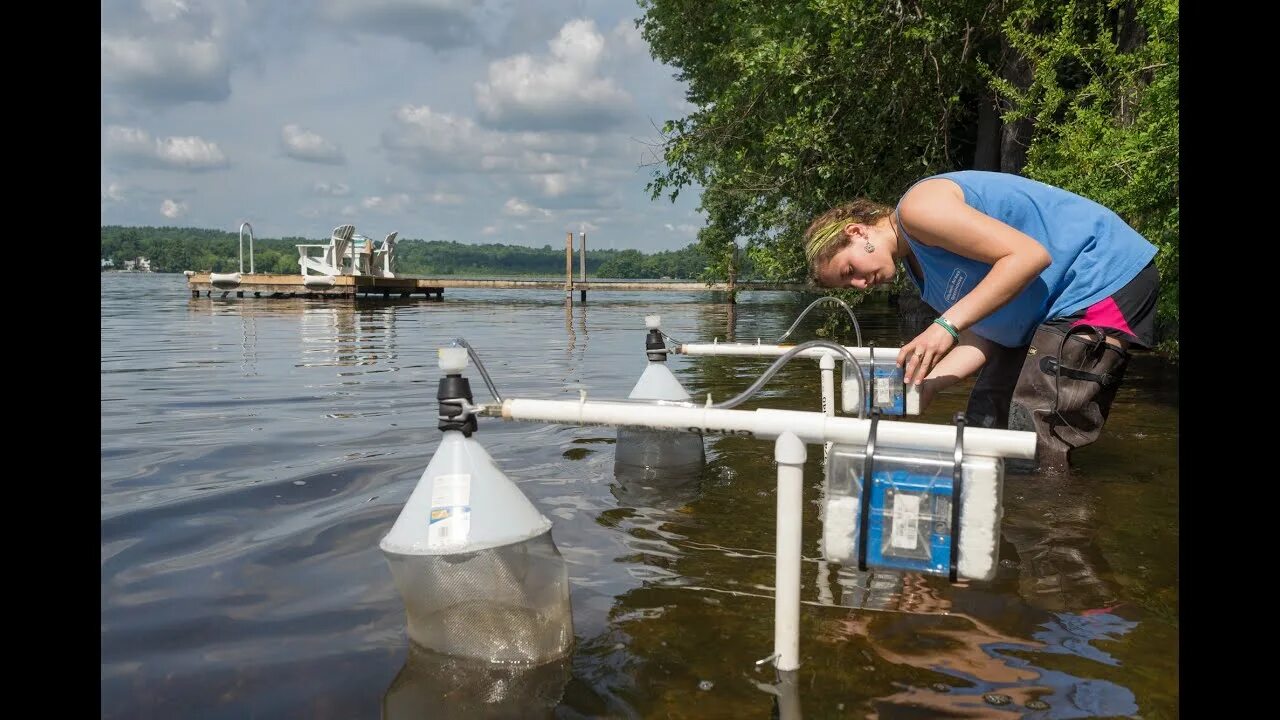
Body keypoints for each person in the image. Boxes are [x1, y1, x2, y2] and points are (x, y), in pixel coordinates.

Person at [803, 170, 1160, 469]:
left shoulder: (918, 209)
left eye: (850, 269)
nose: (861, 284)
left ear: (857, 232)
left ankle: (1051, 541)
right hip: (1047, 312)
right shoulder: (922, 275)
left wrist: (944, 325)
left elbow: (1028, 256)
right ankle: (999, 541)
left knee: (1033, 435)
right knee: (985, 424)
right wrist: (930, 385)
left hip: (1100, 278)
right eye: (849, 285)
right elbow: (987, 334)